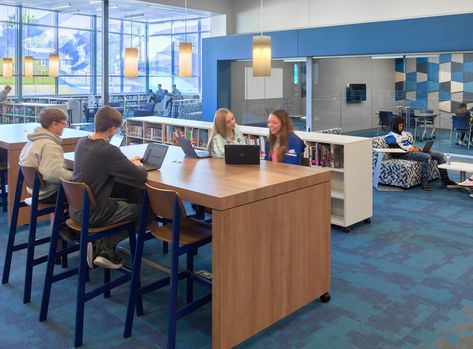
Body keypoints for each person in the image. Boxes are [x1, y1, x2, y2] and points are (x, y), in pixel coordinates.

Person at [70, 106, 148, 269]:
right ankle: (104, 245)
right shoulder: (108, 150)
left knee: (126, 195)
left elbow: (104, 163)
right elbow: (140, 176)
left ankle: (101, 244)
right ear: (113, 128)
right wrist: (138, 165)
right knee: (146, 211)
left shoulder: (82, 142)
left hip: (77, 210)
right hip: (95, 214)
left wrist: (125, 163)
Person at [385, 116, 456, 191]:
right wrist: (409, 150)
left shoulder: (403, 134)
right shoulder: (390, 136)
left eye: (403, 125)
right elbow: (394, 151)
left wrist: (417, 148)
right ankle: (424, 182)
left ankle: (445, 180)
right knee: (426, 157)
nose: (402, 127)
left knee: (440, 155)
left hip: (412, 151)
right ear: (395, 125)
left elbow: (408, 145)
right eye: (400, 125)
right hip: (403, 154)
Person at [19, 108, 72, 203]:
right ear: (54, 124)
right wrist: (75, 176)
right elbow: (52, 174)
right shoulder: (49, 145)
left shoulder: (32, 141)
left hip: (36, 190)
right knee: (85, 191)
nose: (65, 127)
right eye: (63, 124)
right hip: (48, 193)